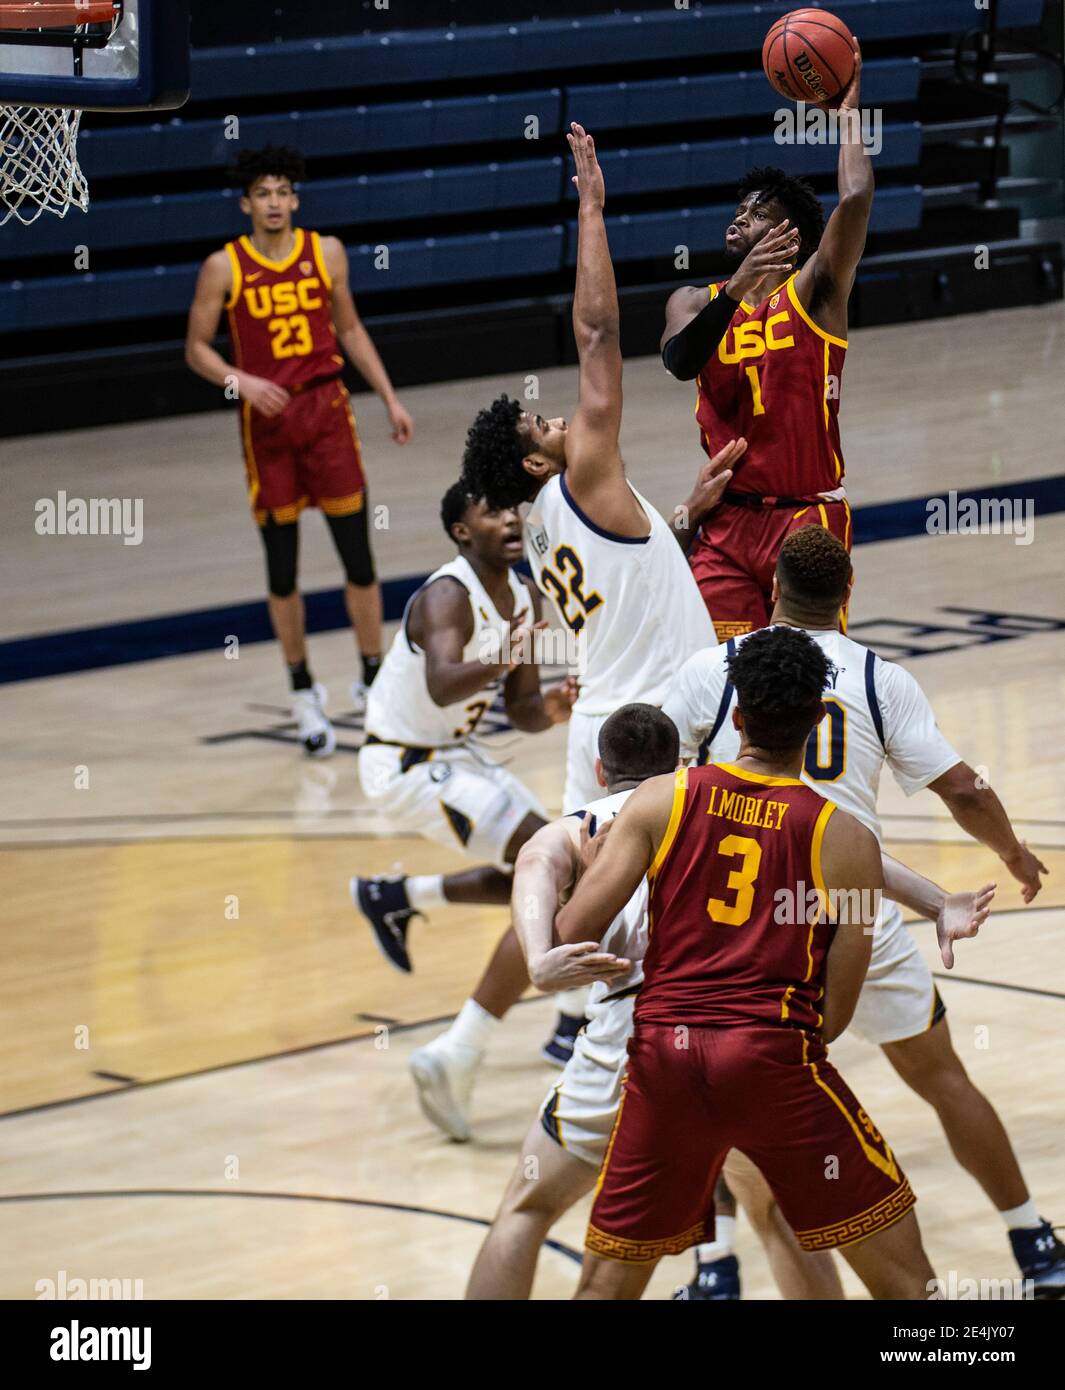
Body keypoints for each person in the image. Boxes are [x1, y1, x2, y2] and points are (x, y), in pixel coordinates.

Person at [466, 703, 993, 1301]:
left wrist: (538, 955)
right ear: (682, 761)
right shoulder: (701, 799)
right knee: (779, 1221)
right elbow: (847, 847)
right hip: (743, 1045)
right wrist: (935, 900)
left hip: (638, 1041)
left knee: (529, 1209)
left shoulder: (593, 822)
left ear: (598, 771)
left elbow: (533, 864)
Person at [663, 524, 1063, 1298]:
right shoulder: (881, 679)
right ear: (846, 596)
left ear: (769, 586)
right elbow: (966, 790)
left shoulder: (711, 671)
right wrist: (1011, 855)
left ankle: (714, 1267)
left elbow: (656, 776)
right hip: (854, 910)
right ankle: (1031, 1240)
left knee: (714, 1090)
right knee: (941, 1078)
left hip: (743, 923)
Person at [460, 122, 738, 1065]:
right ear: (540, 455)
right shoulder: (581, 475)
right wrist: (590, 209)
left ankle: (542, 1029)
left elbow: (620, 577)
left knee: (581, 874)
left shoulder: (539, 525)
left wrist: (682, 525)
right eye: (544, 421)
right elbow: (597, 332)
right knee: (716, 862)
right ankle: (665, 1028)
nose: (561, 417)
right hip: (664, 715)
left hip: (601, 725)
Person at [557, 627, 936, 1300]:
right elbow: (836, 1005)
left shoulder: (661, 798)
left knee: (607, 1283)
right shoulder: (843, 839)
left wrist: (591, 871)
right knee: (908, 1284)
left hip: (663, 1057)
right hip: (772, 1056)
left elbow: (574, 930)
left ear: (736, 719)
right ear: (817, 720)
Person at [353, 481, 576, 1140]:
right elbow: (444, 681)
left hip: (456, 753)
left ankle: (396, 896)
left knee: (544, 878)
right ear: (460, 530)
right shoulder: (446, 595)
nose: (510, 518)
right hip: (406, 762)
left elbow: (521, 709)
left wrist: (554, 707)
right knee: (556, 867)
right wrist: (510, 649)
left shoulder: (527, 596)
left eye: (514, 508)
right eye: (491, 512)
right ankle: (471, 1045)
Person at [185, 145, 414, 755]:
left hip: (326, 413)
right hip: (268, 425)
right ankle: (301, 688)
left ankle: (371, 677)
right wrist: (242, 380)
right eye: (263, 193)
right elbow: (197, 350)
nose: (275, 202)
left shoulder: (327, 252)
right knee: (282, 569)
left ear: (296, 197)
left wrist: (390, 397)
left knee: (358, 558)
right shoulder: (224, 267)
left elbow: (351, 329)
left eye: (283, 191)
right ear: (246, 203)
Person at [661, 41, 868, 640]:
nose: (736, 218)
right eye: (737, 210)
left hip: (807, 518)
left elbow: (854, 200)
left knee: (797, 685)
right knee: (726, 685)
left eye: (753, 213)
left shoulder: (817, 293)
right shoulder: (695, 301)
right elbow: (679, 361)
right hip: (726, 525)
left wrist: (847, 114)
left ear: (789, 234)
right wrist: (736, 290)